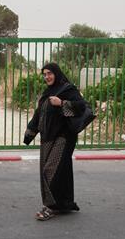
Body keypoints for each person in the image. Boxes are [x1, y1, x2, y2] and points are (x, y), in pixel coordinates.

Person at [23, 62, 88, 221]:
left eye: (49, 73)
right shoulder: (47, 93)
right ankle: (63, 203)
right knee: (59, 170)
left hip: (64, 137)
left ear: (56, 73)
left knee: (50, 169)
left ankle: (49, 207)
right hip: (47, 138)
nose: (47, 77)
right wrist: (29, 135)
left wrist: (62, 103)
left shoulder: (68, 89)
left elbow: (82, 107)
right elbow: (38, 115)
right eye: (44, 74)